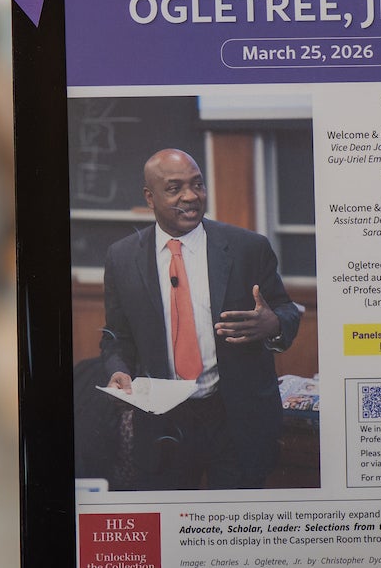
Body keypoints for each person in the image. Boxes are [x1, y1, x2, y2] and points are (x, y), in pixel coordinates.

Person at [98, 148, 303, 491]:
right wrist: (118, 370)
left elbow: (286, 312)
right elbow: (116, 336)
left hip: (236, 418)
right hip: (165, 423)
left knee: (236, 519)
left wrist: (274, 325)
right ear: (149, 197)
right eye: (174, 188)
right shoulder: (122, 258)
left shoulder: (248, 248)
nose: (191, 196)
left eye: (197, 184)